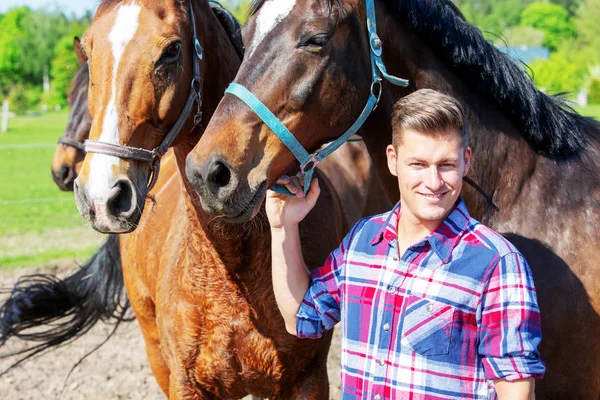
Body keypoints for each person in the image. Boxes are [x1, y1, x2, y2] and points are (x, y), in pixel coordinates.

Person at [266, 89, 545, 399]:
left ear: (466, 161)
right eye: (418, 165)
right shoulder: (362, 240)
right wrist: (283, 227)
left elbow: (515, 389)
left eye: (446, 165)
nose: (434, 182)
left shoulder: (498, 264)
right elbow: (301, 317)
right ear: (393, 160)